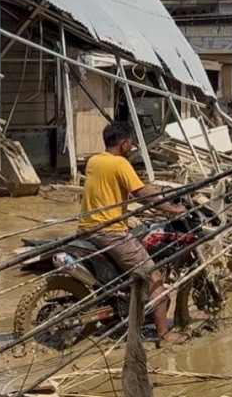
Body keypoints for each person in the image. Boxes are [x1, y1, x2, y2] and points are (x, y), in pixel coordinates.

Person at [79, 121, 187, 346]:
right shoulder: (120, 163)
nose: (132, 146)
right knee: (154, 277)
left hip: (87, 229)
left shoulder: (94, 161)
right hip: (111, 232)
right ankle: (164, 335)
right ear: (123, 143)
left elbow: (113, 189)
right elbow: (142, 194)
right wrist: (172, 208)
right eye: (131, 142)